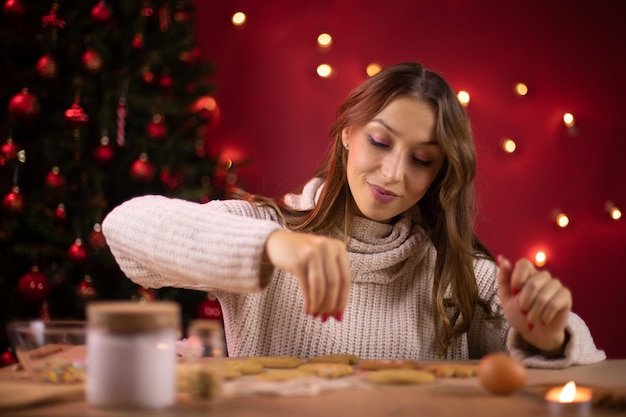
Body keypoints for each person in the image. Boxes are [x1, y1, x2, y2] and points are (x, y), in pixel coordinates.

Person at [102, 62, 605, 368]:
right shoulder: (268, 231)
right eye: (380, 141)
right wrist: (273, 245)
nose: (392, 172)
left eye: (421, 159)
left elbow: (578, 369)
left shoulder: (457, 273)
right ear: (346, 134)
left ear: (438, 174)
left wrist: (549, 338)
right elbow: (126, 229)